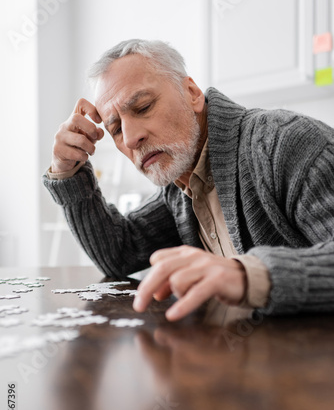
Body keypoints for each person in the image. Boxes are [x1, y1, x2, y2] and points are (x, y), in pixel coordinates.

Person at [43, 39, 334, 321]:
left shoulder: (286, 143)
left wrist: (246, 276)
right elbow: (120, 252)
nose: (131, 138)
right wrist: (66, 170)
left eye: (143, 107)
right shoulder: (180, 185)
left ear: (193, 93)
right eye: (116, 129)